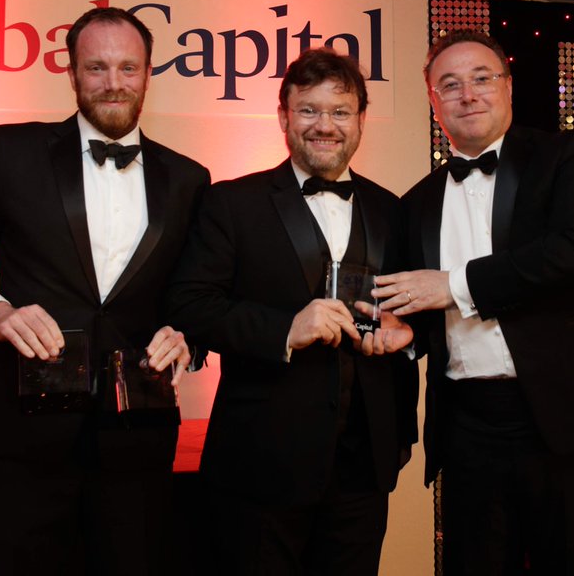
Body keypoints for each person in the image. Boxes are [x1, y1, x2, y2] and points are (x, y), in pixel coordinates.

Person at [0, 6, 210, 576]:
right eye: (97, 67)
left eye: (128, 68)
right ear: (72, 73)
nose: (113, 83)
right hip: (21, 429)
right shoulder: (10, 152)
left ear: (149, 73)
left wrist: (191, 337)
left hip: (136, 434)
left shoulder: (189, 179)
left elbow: (196, 295)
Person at [373, 29, 574, 575]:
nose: (468, 94)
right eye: (449, 85)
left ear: (507, 86)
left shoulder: (566, 155)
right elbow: (417, 308)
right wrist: (409, 340)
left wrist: (454, 286)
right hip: (468, 426)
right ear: (433, 101)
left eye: (482, 78)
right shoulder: (415, 203)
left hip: (567, 417)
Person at [167, 48, 418, 575]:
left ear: (360, 120)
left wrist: (408, 335)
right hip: (260, 466)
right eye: (308, 110)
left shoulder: (393, 210)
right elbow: (191, 304)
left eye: (340, 112)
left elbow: (411, 312)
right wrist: (285, 328)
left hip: (363, 468)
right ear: (283, 116)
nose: (324, 125)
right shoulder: (232, 203)